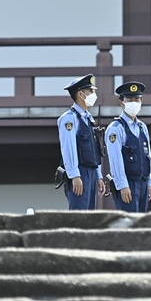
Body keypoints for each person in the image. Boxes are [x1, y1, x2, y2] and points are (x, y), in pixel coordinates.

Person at [58, 74, 106, 210]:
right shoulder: (69, 119)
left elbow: (94, 149)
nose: (93, 94)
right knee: (79, 215)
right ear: (80, 94)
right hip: (79, 171)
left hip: (90, 170)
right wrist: (74, 175)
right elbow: (69, 148)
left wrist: (98, 175)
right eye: (90, 91)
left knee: (90, 217)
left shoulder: (88, 118)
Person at [105, 81, 151, 213]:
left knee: (140, 224)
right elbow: (116, 160)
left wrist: (150, 182)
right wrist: (122, 186)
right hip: (128, 183)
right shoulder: (116, 128)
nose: (134, 102)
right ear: (121, 101)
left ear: (141, 101)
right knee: (128, 223)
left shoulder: (143, 127)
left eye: (137, 99)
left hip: (143, 182)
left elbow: (148, 156)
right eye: (129, 99)